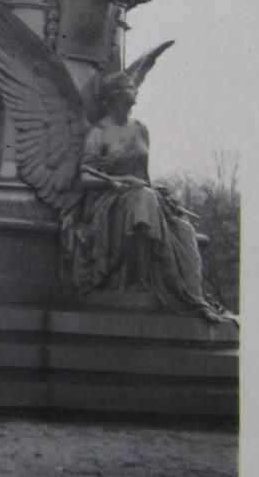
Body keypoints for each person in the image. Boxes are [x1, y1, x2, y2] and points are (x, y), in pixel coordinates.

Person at [70, 72, 233, 322]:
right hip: (109, 202)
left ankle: (194, 297)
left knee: (182, 226)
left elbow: (143, 176)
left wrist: (161, 194)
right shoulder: (98, 133)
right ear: (115, 96)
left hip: (141, 198)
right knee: (144, 200)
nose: (136, 90)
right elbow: (85, 178)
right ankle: (183, 296)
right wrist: (124, 182)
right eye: (129, 86)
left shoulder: (141, 129)